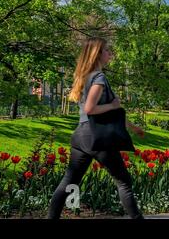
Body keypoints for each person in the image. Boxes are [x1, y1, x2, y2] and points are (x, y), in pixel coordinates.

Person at [48, 37, 145, 219]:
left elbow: (109, 113)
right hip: (97, 137)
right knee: (124, 182)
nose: (110, 54)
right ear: (97, 54)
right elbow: (91, 109)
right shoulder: (99, 77)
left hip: (80, 136)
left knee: (69, 181)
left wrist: (133, 128)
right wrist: (113, 105)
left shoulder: (84, 77)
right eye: (107, 50)